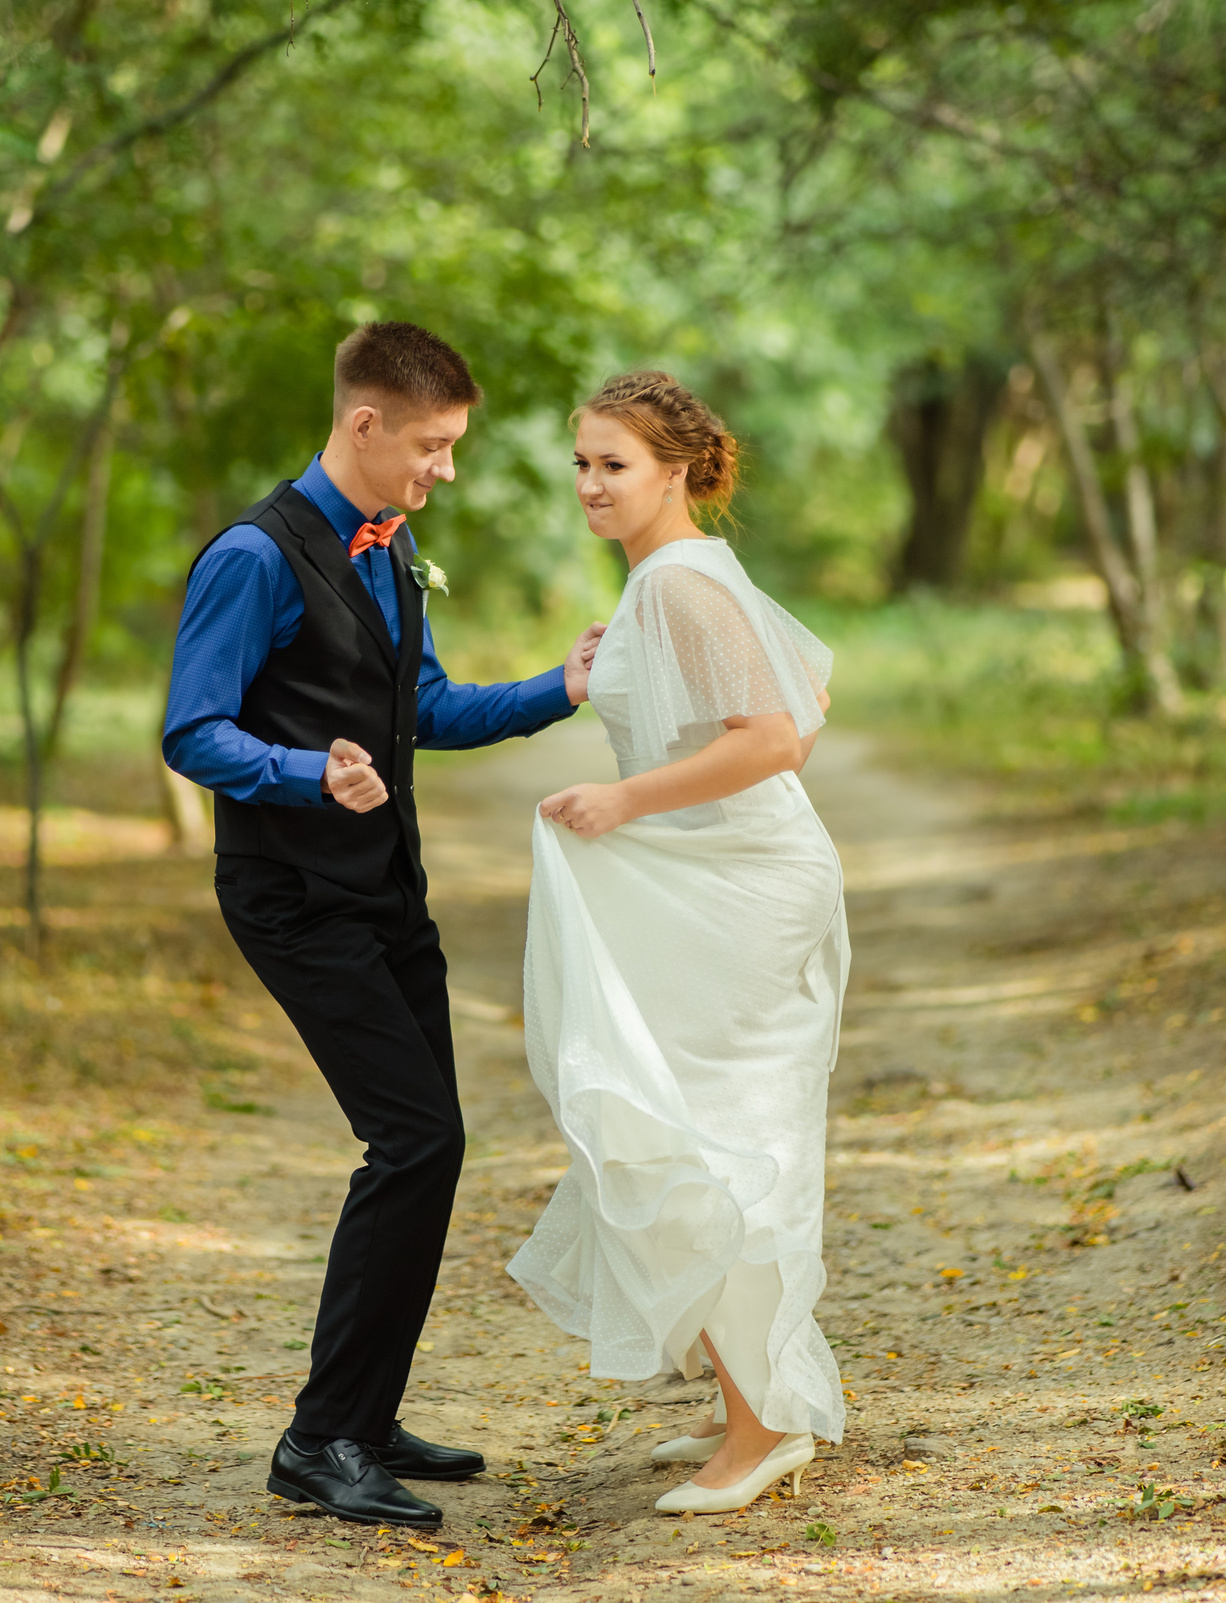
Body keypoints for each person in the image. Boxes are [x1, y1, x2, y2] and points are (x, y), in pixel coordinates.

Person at [163, 321, 606, 1529]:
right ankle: (318, 1441)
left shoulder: (391, 546)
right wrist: (309, 774)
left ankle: (363, 1416)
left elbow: (425, 710)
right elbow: (191, 731)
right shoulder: (253, 558)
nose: (443, 470)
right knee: (409, 1143)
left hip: (387, 891)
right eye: (433, 446)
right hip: (294, 897)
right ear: (365, 424)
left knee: (435, 1145)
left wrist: (557, 691)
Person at [508, 370, 849, 1516]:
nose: (593, 483)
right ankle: (744, 1399)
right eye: (584, 461)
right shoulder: (673, 581)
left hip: (742, 891)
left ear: (678, 471)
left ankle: (760, 1434)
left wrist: (629, 802)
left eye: (616, 463)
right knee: (687, 1125)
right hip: (724, 881)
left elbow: (775, 743)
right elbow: (800, 701)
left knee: (710, 1138)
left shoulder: (684, 586)